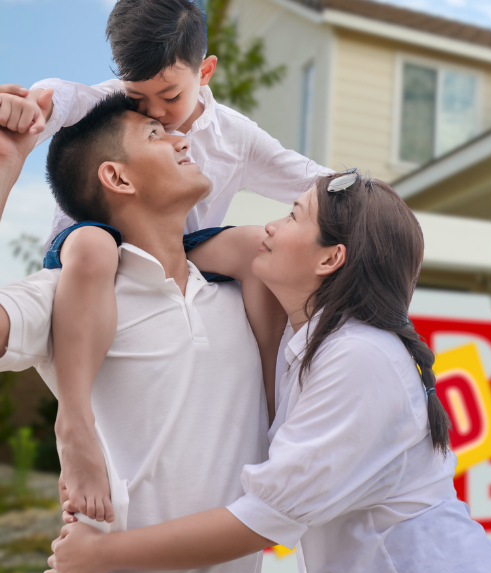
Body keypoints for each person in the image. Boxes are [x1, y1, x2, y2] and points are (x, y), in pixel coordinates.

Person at [44, 171, 491, 573]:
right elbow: (178, 250)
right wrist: (95, 248)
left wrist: (103, 554)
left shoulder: (361, 356)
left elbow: (262, 520)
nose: (272, 228)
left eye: (294, 216)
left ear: (330, 258)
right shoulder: (311, 340)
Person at [0, 0, 329, 524]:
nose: (154, 112)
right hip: (84, 251)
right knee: (97, 248)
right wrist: (27, 116)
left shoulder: (235, 137)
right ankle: (75, 419)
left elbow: (308, 175)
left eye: (170, 98)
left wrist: (368, 193)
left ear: (205, 72)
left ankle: (274, 410)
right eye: (139, 99)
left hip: (184, 248)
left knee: (252, 246)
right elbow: (58, 97)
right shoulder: (110, 108)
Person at [0, 92, 271, 573]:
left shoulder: (242, 293)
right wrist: (4, 169)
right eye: (154, 134)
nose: (180, 136)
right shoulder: (68, 293)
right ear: (117, 178)